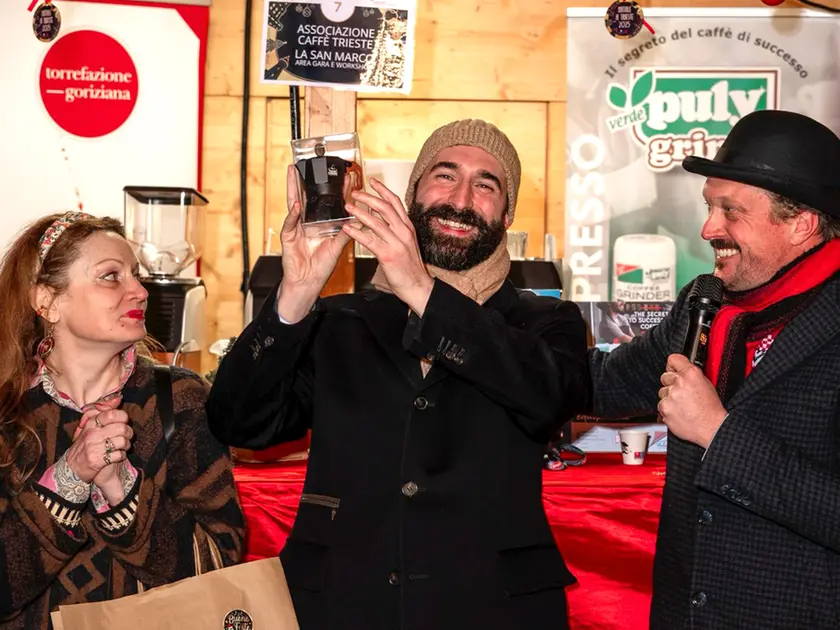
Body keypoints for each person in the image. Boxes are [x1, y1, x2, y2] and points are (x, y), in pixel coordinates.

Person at [206, 119, 590, 630]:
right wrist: (295, 293)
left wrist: (421, 289)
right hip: (345, 602)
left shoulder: (546, 322)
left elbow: (551, 397)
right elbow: (240, 423)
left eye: (486, 184)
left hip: (494, 606)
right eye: (445, 176)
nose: (461, 198)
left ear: (506, 213)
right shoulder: (341, 320)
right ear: (413, 195)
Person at [588, 109, 840, 629]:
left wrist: (718, 434)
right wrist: (456, 312)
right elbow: (602, 384)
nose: (708, 229)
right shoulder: (704, 305)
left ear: (801, 224)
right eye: (709, 207)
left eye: (731, 211)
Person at [0, 212, 245, 630]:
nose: (139, 290)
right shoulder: (7, 412)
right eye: (111, 276)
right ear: (47, 301)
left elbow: (220, 566)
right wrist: (69, 479)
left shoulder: (179, 400)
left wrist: (122, 491)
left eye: (136, 274)